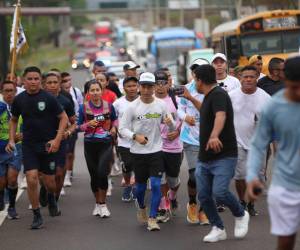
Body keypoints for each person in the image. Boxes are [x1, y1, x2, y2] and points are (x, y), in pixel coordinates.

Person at [184, 64, 249, 243]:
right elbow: (205, 111)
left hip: (223, 154)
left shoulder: (219, 94)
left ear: (199, 80)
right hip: (206, 157)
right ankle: (218, 227)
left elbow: (221, 116)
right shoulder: (209, 96)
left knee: (219, 192)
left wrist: (214, 135)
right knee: (204, 195)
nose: (193, 81)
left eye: (194, 78)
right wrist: (190, 99)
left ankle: (241, 214)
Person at [247, 56, 300, 250]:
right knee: (286, 241)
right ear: (286, 80)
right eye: (294, 87)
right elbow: (258, 144)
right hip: (286, 186)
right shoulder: (273, 106)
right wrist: (252, 175)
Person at [6, 66, 68, 229]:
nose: (33, 82)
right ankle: (37, 214)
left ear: (40, 80)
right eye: (30, 79)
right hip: (29, 146)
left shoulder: (49, 98)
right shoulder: (19, 100)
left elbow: (63, 118)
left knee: (50, 182)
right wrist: (12, 139)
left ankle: (51, 198)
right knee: (32, 178)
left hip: (48, 145)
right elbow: (13, 120)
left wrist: (57, 139)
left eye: (36, 79)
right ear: (24, 81)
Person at [119, 72, 171, 231]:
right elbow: (122, 129)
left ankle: (153, 218)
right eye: (144, 86)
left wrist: (171, 122)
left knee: (156, 185)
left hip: (156, 151)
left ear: (155, 87)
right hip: (138, 153)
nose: (147, 90)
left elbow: (172, 126)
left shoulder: (161, 105)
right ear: (140, 88)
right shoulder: (132, 107)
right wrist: (135, 137)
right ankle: (141, 206)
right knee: (140, 189)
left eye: (150, 86)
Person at [229, 66, 270, 216]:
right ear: (240, 77)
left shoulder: (265, 98)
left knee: (257, 176)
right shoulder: (231, 96)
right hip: (237, 141)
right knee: (240, 175)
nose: (248, 79)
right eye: (245, 77)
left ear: (257, 77)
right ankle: (242, 201)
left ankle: (251, 203)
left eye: (251, 77)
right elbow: (223, 116)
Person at [77, 80, 117, 218]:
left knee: (102, 172)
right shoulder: (83, 108)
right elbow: (78, 127)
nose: (95, 93)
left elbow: (115, 120)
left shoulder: (109, 106)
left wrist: (113, 128)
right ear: (87, 93)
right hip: (90, 144)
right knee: (94, 175)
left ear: (102, 91)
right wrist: (88, 124)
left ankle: (103, 204)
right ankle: (97, 203)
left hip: (105, 143)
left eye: (97, 90)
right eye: (92, 90)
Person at [178, 58, 209, 225]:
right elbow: (179, 109)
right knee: (194, 175)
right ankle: (192, 202)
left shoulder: (213, 90)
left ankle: (204, 210)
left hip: (210, 138)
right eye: (194, 70)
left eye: (200, 69)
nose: (196, 73)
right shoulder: (186, 89)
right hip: (190, 138)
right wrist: (185, 117)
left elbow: (209, 112)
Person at [154, 70, 183, 223]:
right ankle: (163, 207)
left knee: (173, 180)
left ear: (168, 83)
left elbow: (184, 119)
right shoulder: (149, 101)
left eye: (163, 83)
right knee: (160, 179)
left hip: (174, 146)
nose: (160, 87)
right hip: (156, 147)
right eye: (157, 84)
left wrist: (177, 132)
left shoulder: (176, 99)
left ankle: (172, 196)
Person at [44, 72, 76, 201]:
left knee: (58, 173)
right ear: (45, 85)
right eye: (49, 83)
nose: (52, 85)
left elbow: (74, 123)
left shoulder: (66, 101)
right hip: (42, 140)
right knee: (42, 174)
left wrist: (67, 132)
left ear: (59, 84)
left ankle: (54, 199)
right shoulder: (40, 99)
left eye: (55, 82)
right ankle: (44, 190)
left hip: (60, 141)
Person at [113, 76, 139, 202]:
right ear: (124, 88)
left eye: (134, 85)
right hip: (124, 141)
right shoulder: (118, 103)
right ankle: (128, 184)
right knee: (127, 166)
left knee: (139, 166)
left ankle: (135, 187)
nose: (132, 88)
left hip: (140, 140)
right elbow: (112, 119)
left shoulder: (143, 101)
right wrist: (115, 129)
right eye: (129, 86)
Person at [0, 81, 23, 219]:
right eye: (6, 91)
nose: (9, 93)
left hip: (16, 147)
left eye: (12, 91)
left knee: (12, 179)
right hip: (0, 148)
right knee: (2, 181)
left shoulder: (21, 108)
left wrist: (21, 135)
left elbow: (30, 126)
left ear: (16, 92)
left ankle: (12, 207)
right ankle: (1, 196)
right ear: (2, 93)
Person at [61, 72, 84, 187]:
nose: (68, 83)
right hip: (59, 126)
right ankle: (62, 174)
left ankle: (68, 175)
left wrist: (77, 122)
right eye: (65, 81)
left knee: (70, 153)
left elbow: (80, 106)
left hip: (72, 125)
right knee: (63, 153)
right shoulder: (58, 95)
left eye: (69, 80)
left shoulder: (76, 92)